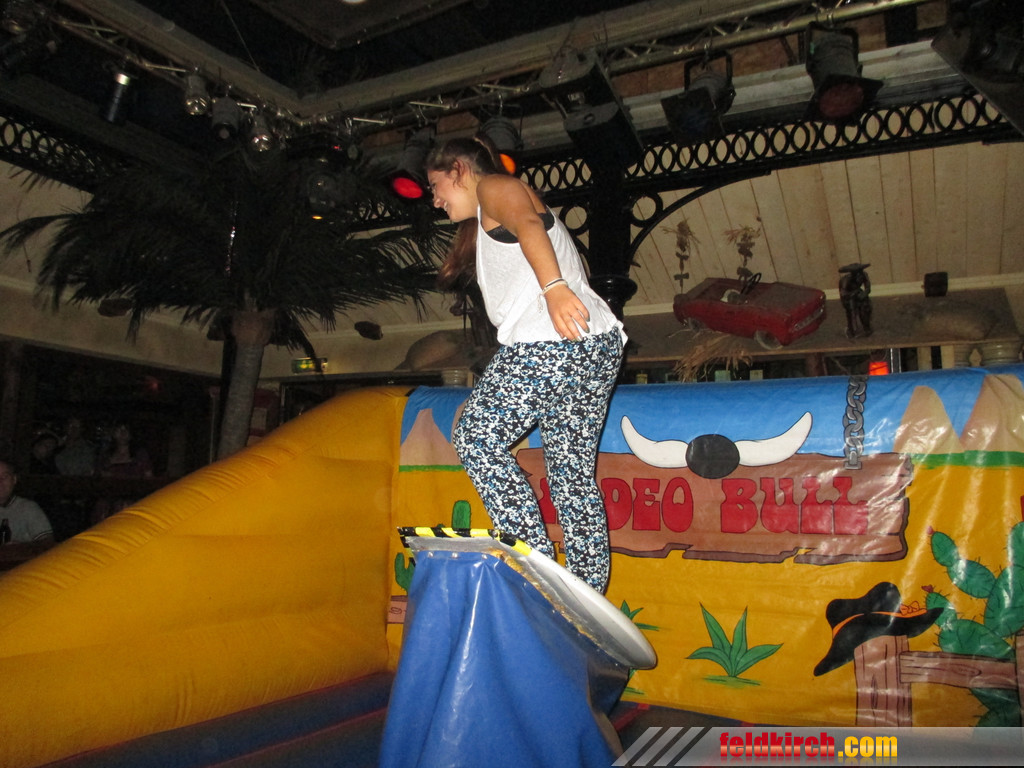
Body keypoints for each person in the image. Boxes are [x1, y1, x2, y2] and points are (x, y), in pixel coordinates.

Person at [426, 135, 625, 593]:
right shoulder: (486, 214)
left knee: (476, 436)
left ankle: (534, 566)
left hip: (551, 341)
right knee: (571, 475)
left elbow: (529, 224)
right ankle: (585, 593)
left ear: (459, 170)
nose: (435, 200)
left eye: (436, 186)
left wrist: (554, 289)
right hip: (593, 345)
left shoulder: (494, 186)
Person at [0, 457, 55, 568]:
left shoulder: (28, 508)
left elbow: (48, 543)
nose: (0, 482)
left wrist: (22, 547)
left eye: (5, 477)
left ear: (14, 480)